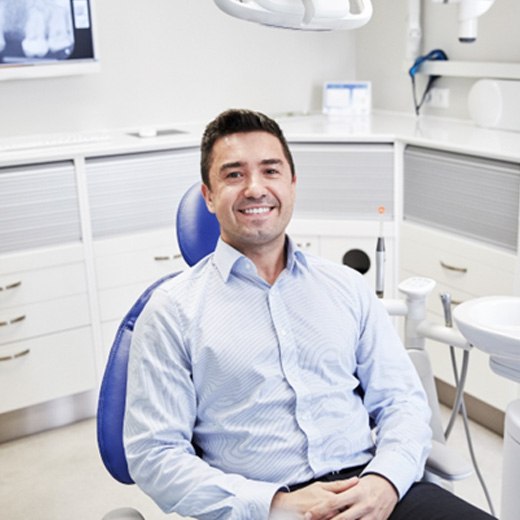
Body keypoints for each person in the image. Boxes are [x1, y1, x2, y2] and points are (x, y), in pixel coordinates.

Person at [123, 109, 496, 520]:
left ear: (292, 184)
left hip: (370, 488)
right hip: (261, 504)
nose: (255, 188)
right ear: (208, 196)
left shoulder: (346, 288)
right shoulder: (172, 311)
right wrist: (276, 505)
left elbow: (402, 401)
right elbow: (155, 454)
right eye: (233, 175)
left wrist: (386, 480)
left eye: (270, 171)